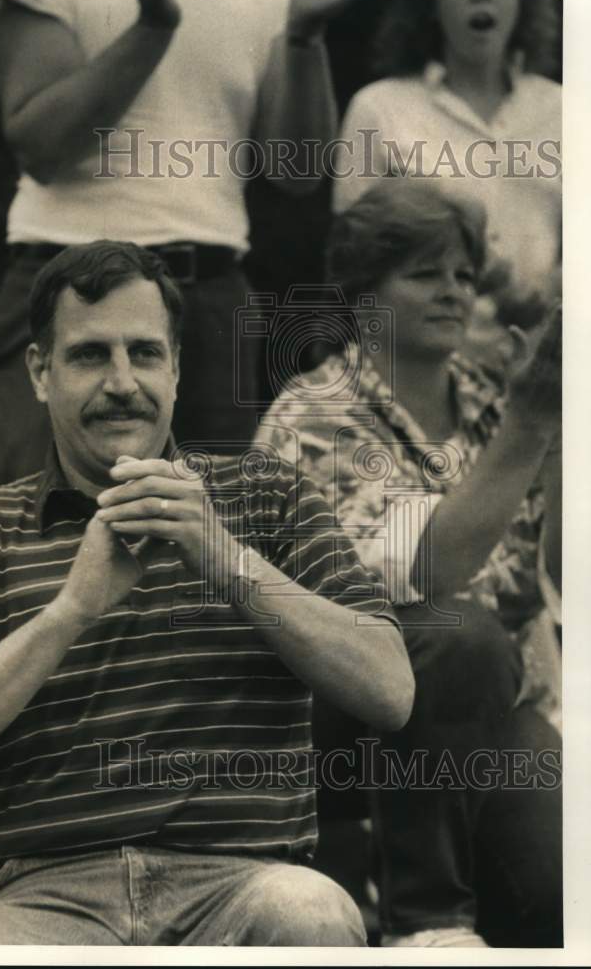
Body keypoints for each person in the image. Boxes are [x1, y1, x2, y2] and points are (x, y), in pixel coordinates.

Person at [0, 240, 414, 946]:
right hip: (45, 897)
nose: (123, 382)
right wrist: (70, 610)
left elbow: (390, 690)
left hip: (246, 883)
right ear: (40, 372)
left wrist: (224, 559)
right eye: (90, 355)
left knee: (310, 915)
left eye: (145, 352)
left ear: (178, 366)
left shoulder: (268, 495)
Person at [256, 183, 562, 947]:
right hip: (324, 716)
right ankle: (423, 924)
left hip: (487, 704)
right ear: (363, 296)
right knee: (452, 629)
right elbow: (418, 579)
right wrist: (529, 428)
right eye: (426, 274)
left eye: (464, 276)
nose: (454, 292)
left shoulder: (492, 403)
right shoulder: (313, 415)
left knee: (557, 893)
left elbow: (542, 580)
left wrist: (558, 433)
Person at [0, 0, 349, 481]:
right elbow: (42, 147)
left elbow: (299, 173)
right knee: (42, 533)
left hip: (210, 294)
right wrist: (153, 26)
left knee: (215, 528)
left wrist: (305, 34)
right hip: (67, 284)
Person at [333, 0, 561, 370]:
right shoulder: (378, 106)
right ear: (430, 3)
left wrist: (551, 287)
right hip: (419, 372)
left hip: (543, 372)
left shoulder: (568, 109)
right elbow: (351, 257)